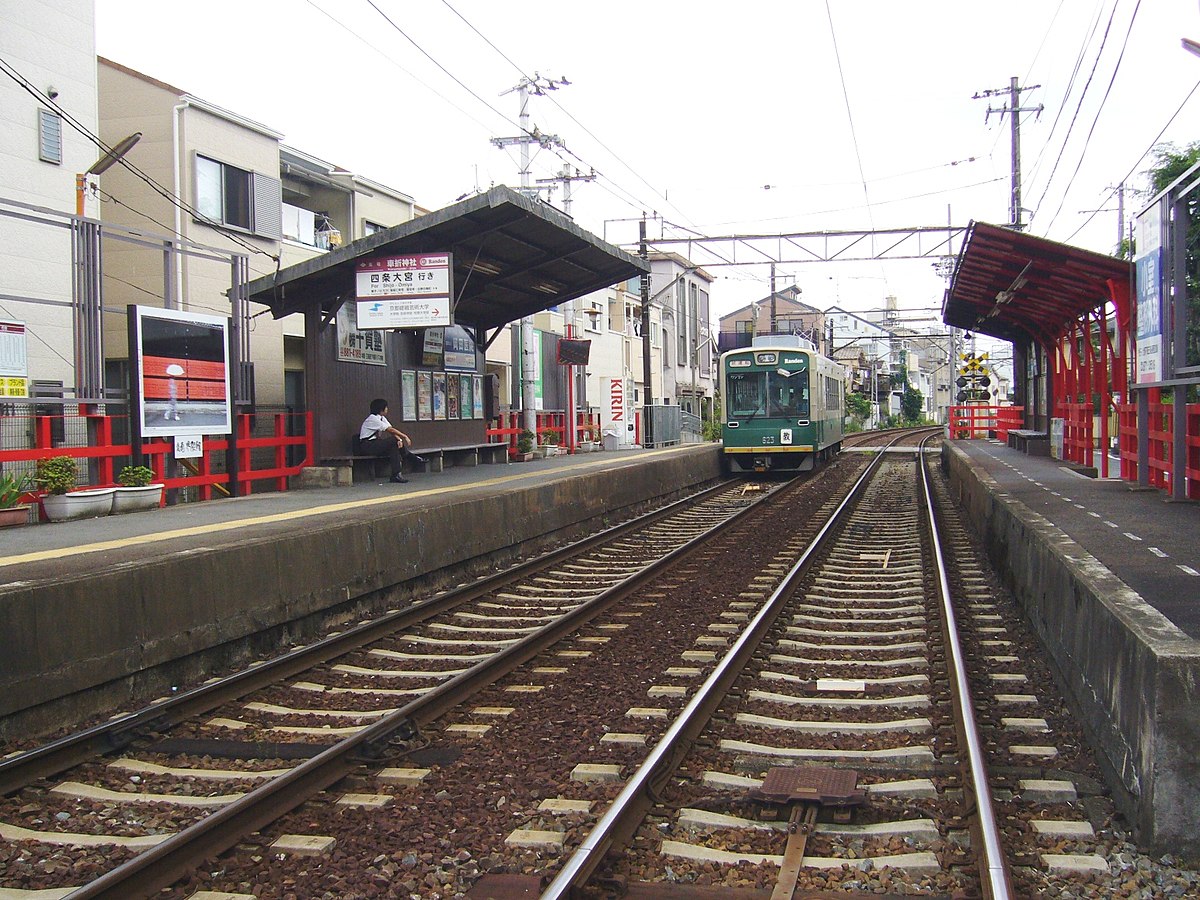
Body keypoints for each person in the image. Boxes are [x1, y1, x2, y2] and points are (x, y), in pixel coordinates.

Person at [358, 398, 424, 484]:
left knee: (394, 446)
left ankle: (396, 475)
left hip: (375, 444)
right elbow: (390, 430)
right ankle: (409, 457)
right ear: (381, 409)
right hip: (367, 446)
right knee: (393, 441)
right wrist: (404, 436)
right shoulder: (372, 419)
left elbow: (391, 430)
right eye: (386, 407)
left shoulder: (382, 418)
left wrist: (399, 439)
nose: (387, 409)